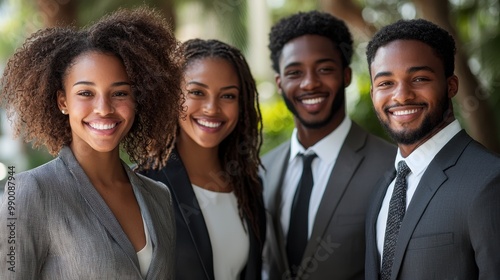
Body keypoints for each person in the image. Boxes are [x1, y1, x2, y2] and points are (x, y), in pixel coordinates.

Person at [0, 7, 182, 279]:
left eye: (119, 93)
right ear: (63, 101)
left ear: (137, 99)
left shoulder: (158, 197)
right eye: (86, 92)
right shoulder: (30, 192)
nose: (103, 108)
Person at [260, 11, 396, 280]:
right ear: (279, 83)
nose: (310, 83)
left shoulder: (391, 166)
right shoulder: (263, 167)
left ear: (346, 76)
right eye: (295, 72)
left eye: (324, 69)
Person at [364, 18, 500, 279]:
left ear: (451, 86)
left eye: (419, 78)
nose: (401, 95)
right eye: (385, 83)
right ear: (372, 94)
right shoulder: (384, 188)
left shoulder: (490, 181)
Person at [141, 38, 266, 280]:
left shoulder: (249, 187)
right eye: (197, 92)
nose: (212, 108)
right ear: (173, 97)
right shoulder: (145, 185)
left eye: (228, 96)